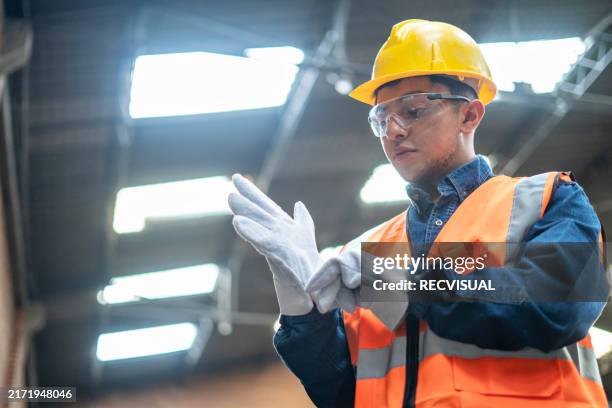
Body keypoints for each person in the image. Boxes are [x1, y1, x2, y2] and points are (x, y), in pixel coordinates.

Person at [228, 19, 608, 407]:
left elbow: (559, 305)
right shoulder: (368, 251)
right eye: (381, 119)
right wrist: (304, 312)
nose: (393, 131)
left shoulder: (544, 200)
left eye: (413, 110)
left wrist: (409, 285)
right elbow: (342, 392)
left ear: (470, 115)